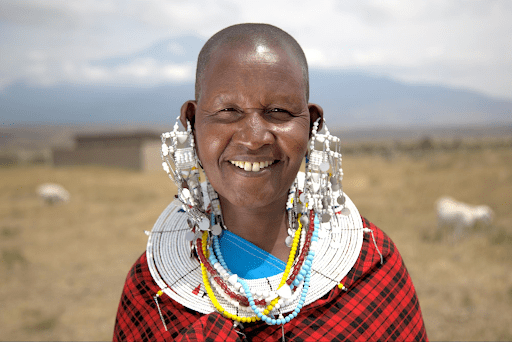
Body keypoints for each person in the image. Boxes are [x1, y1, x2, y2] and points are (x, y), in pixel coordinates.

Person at [113, 23, 428, 341]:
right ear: (192, 123)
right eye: (228, 110)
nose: (254, 138)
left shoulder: (371, 267)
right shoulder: (153, 292)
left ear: (312, 124)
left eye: (278, 111)